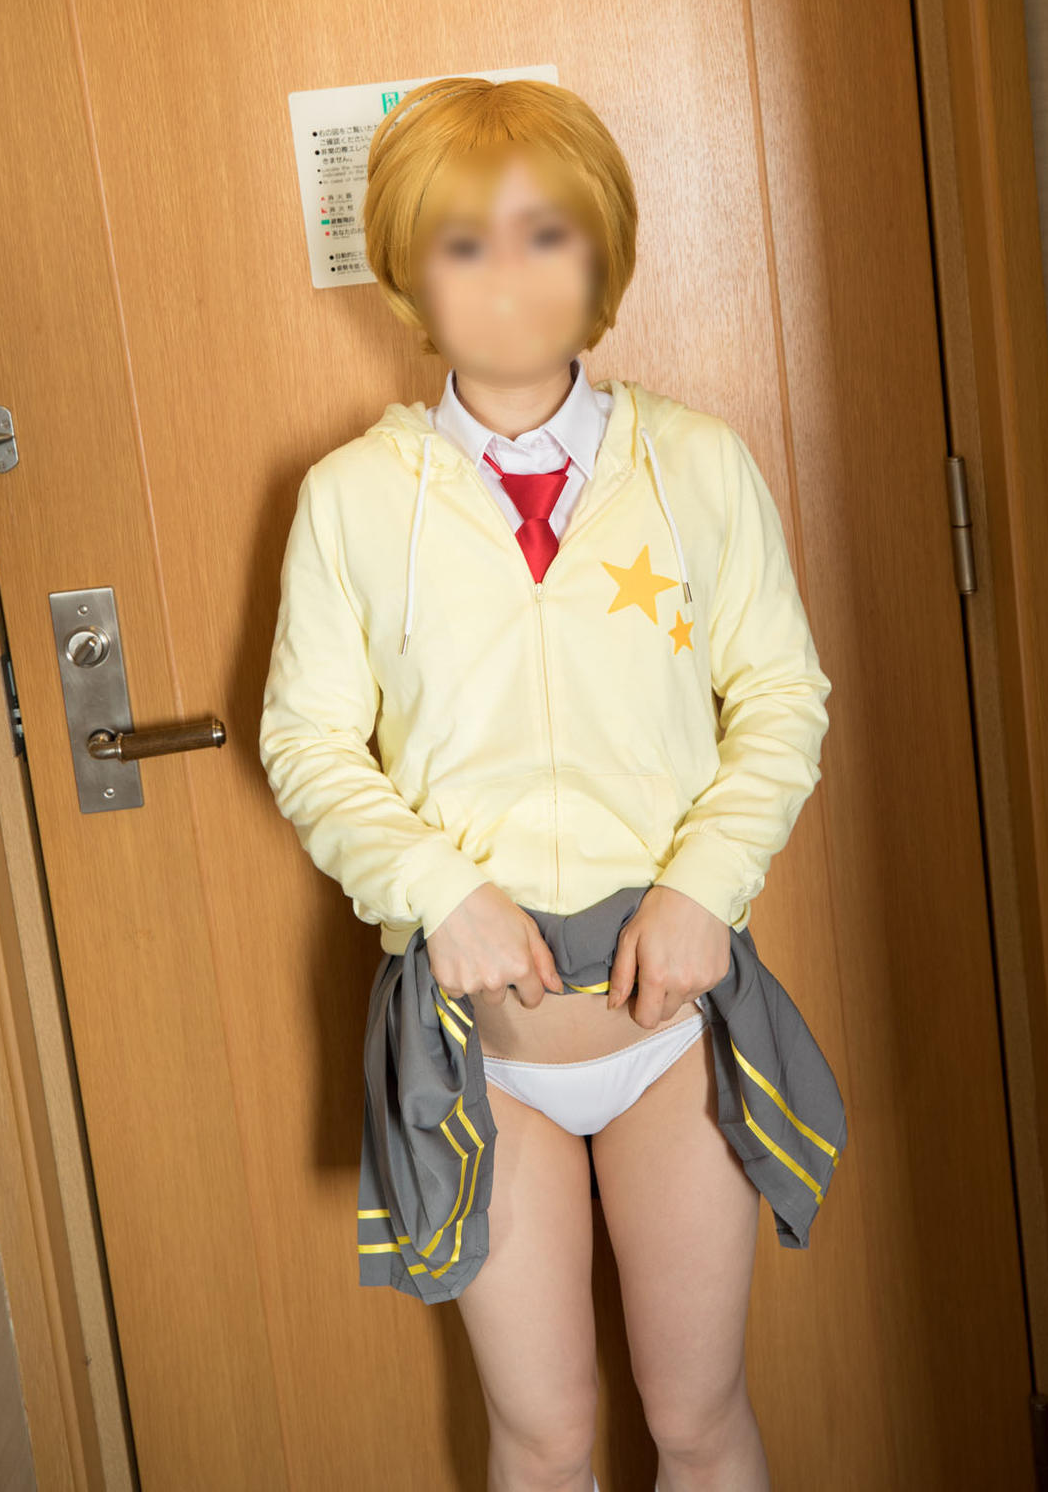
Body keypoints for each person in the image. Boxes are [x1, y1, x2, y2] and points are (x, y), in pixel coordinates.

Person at [260, 76, 834, 1492]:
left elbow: (782, 701)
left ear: (603, 252)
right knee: (547, 1435)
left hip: (671, 1034)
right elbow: (309, 742)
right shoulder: (350, 500)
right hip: (485, 1052)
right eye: (464, 242)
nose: (508, 275)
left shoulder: (696, 466)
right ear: (408, 272)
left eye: (545, 233)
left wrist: (705, 893)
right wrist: (438, 893)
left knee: (696, 1419)